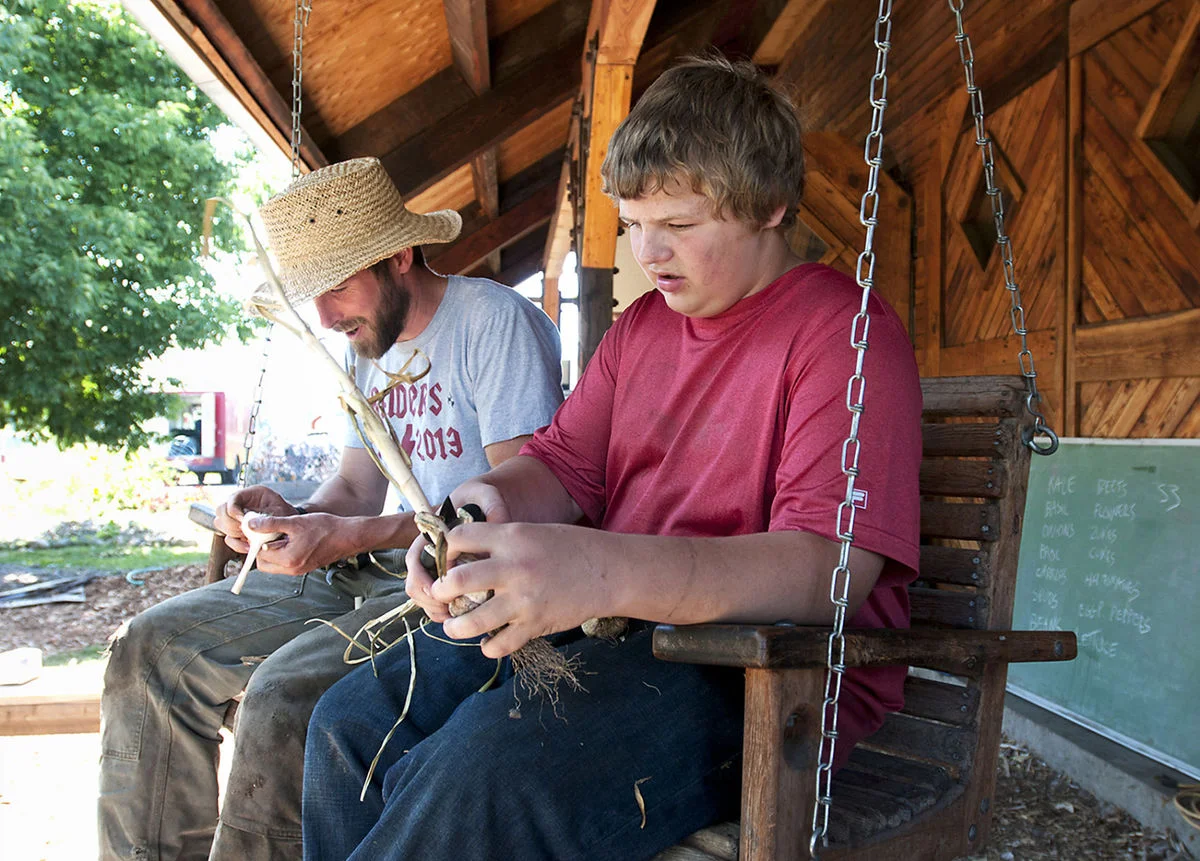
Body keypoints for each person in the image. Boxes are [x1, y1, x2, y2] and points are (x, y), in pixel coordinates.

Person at [302, 56, 922, 861]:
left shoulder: (842, 333)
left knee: (478, 777)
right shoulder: (642, 330)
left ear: (771, 205)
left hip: (756, 677)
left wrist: (600, 571)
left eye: (680, 226)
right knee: (349, 724)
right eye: (632, 224)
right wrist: (470, 514)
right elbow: (560, 467)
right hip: (613, 635)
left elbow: (826, 574)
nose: (649, 253)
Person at [98, 157, 564, 861]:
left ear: (399, 256)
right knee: (151, 649)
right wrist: (292, 515)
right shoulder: (365, 343)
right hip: (368, 567)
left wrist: (347, 534)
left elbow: (515, 511)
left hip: (450, 584)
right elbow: (353, 489)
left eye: (338, 285)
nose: (323, 315)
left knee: (280, 699)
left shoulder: (493, 323)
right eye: (311, 293)